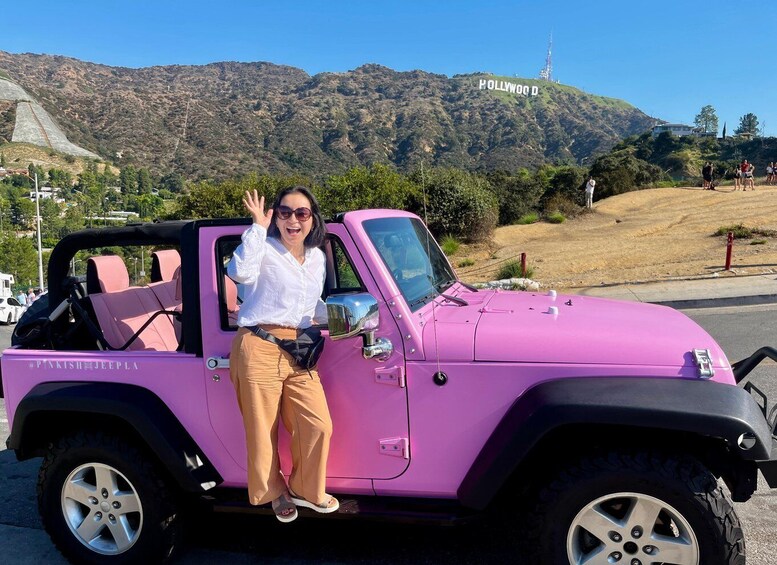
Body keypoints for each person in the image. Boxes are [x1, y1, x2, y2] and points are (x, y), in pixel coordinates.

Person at [227, 186, 337, 524]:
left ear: (312, 218)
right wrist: (258, 227)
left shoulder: (317, 257)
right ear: (276, 215)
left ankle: (306, 489)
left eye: (301, 213)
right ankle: (274, 493)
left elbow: (309, 308)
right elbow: (239, 273)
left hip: (297, 348)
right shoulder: (264, 249)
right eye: (285, 212)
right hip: (258, 344)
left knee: (318, 425)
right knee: (262, 432)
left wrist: (343, 316)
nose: (293, 219)